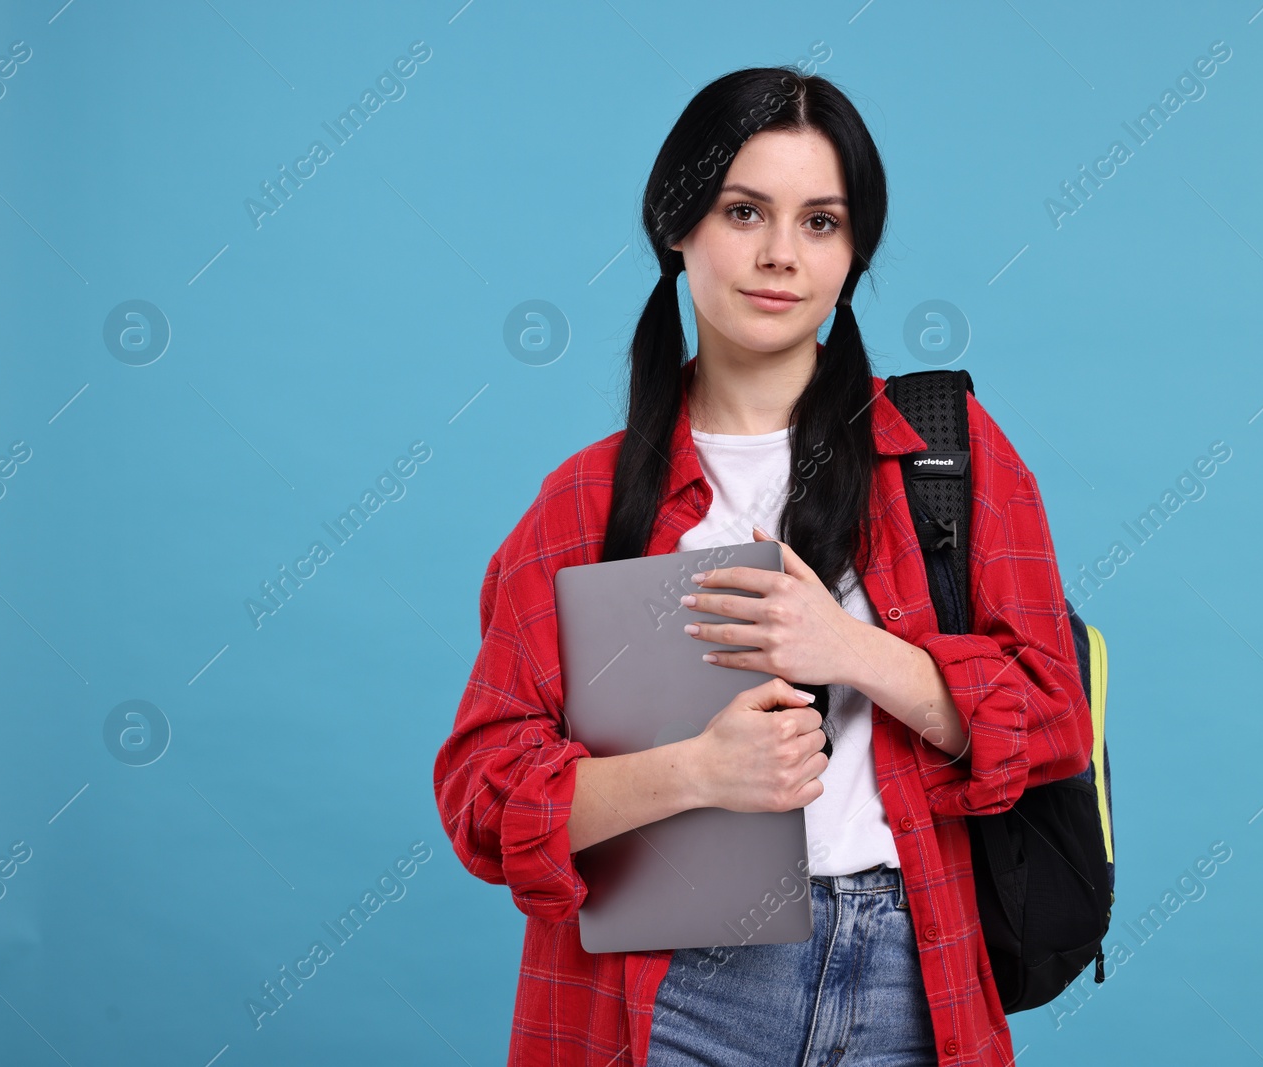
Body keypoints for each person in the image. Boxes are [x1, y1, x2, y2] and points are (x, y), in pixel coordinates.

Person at [432, 65, 1092, 1067]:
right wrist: (694, 771)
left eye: (820, 222)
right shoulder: (584, 500)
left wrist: (853, 648)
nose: (781, 254)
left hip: (912, 974)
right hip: (675, 987)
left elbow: (1052, 718)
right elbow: (486, 795)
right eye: (745, 211)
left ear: (853, 248)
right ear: (678, 225)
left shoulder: (942, 452)